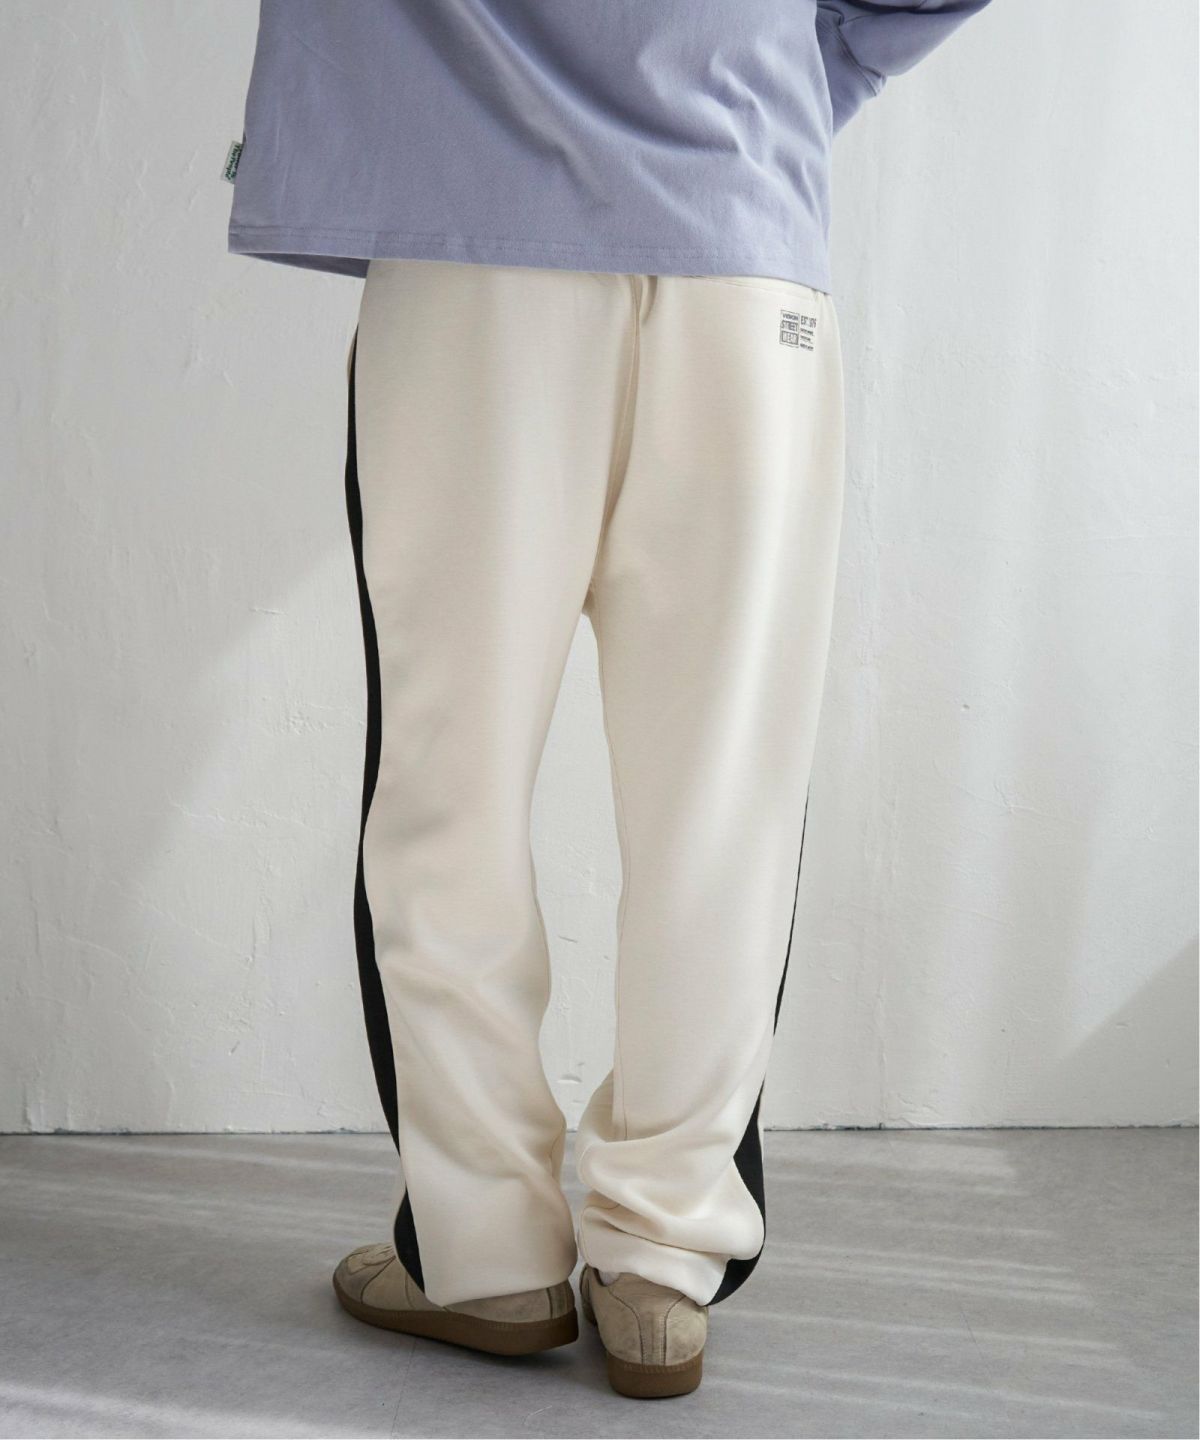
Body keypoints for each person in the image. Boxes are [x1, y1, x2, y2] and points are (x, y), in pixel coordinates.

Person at [226, 0, 991, 1400]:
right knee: (726, 799)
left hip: (473, 220)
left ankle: (485, 1256)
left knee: (447, 785)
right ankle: (661, 1265)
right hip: (740, 229)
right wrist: (781, 65)